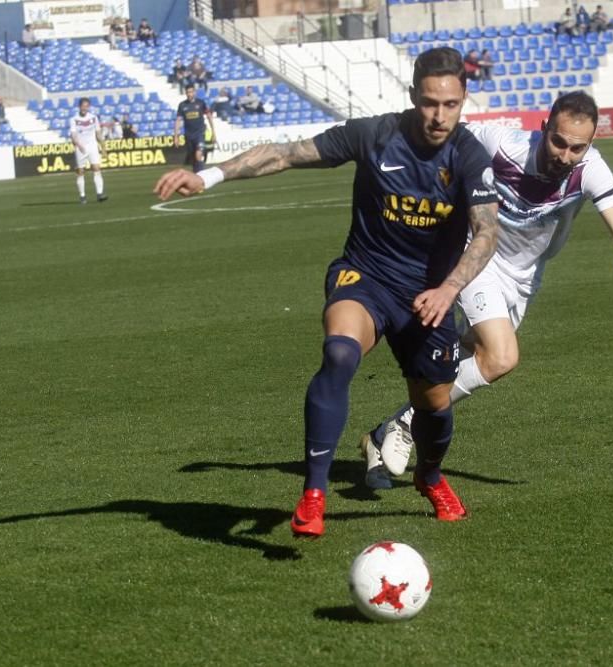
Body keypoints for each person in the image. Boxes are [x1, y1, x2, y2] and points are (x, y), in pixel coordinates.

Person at [152, 47, 500, 537]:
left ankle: (430, 475)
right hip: (367, 275)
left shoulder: (468, 156)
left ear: (464, 99)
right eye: (428, 103)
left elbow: (486, 232)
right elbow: (288, 153)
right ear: (412, 97)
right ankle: (313, 495)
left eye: (450, 104)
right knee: (339, 353)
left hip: (429, 297)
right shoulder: (374, 135)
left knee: (434, 402)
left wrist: (448, 289)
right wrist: (208, 175)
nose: (439, 115)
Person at [360, 92, 613, 488]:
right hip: (477, 256)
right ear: (543, 130)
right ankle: (404, 425)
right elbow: (438, 135)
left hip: (525, 278)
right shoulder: (500, 143)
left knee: (463, 358)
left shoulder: (590, 169)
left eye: (578, 147)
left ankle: (382, 434)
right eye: (559, 142)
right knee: (501, 357)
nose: (566, 155)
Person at [69, 97, 108, 204]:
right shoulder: (74, 119)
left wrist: (103, 148)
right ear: (79, 106)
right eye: (83, 106)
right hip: (80, 148)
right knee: (80, 172)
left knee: (96, 168)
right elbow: (73, 135)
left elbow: (98, 133)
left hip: (92, 146)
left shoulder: (94, 118)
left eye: (86, 106)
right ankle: (82, 196)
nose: (84, 108)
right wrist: (78, 145)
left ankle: (100, 194)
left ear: (88, 107)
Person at [174, 83, 216, 173]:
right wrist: (176, 136)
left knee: (198, 154)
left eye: (191, 92)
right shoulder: (182, 105)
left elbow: (209, 117)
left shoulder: (201, 103)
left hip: (199, 134)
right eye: (188, 92)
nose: (189, 94)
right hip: (188, 135)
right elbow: (178, 120)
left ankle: (202, 176)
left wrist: (213, 132)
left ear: (194, 92)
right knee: (193, 159)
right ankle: (197, 174)